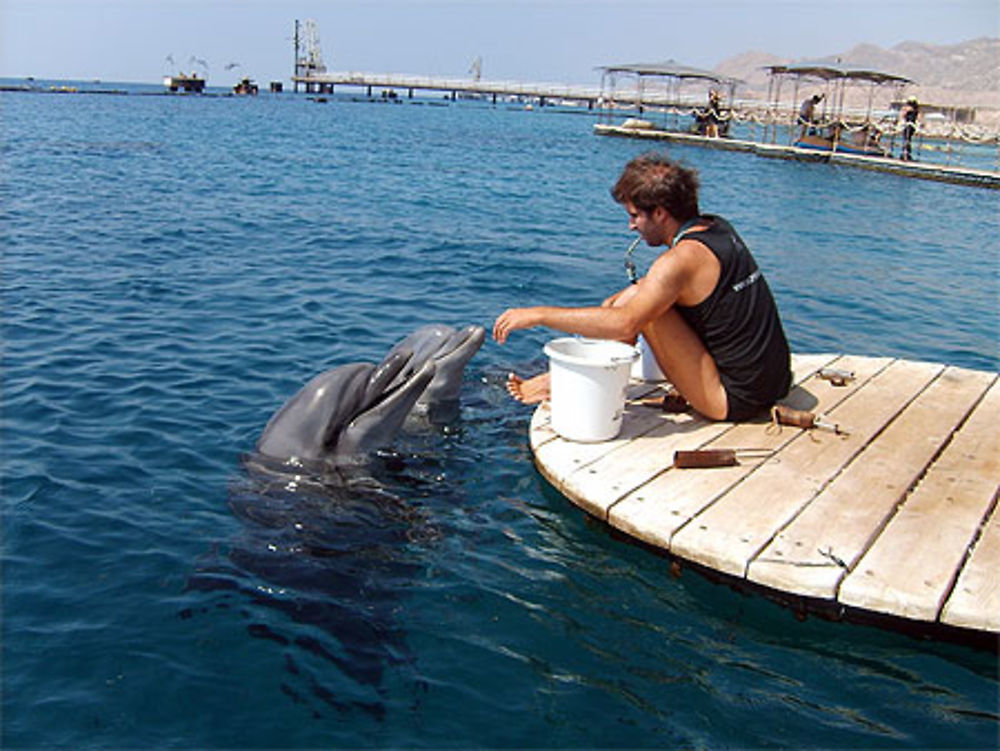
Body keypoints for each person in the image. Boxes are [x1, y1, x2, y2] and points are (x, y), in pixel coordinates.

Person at [493, 153, 792, 422]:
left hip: (733, 400)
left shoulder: (679, 261)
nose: (631, 226)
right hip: (774, 382)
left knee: (635, 308)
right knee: (632, 297)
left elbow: (625, 324)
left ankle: (575, 384)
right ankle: (566, 379)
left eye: (635, 215)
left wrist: (539, 315)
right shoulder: (717, 227)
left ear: (660, 213)